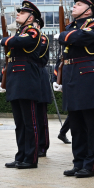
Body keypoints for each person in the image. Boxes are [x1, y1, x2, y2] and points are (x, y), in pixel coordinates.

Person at [56, 0, 94, 178]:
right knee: (76, 124)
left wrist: (65, 35)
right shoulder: (71, 26)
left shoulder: (93, 23)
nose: (73, 7)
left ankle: (90, 164)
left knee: (91, 124)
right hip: (71, 74)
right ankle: (78, 162)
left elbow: (77, 38)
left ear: (88, 10)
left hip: (87, 76)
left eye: (78, 5)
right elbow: (68, 40)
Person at [0, 1, 44, 170]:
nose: (18, 14)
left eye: (22, 13)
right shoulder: (20, 32)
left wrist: (7, 40)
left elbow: (19, 42)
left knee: (29, 121)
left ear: (31, 17)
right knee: (19, 122)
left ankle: (31, 158)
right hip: (16, 78)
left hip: (26, 79)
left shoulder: (32, 30)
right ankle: (21, 155)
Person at [32, 17, 52, 157]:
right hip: (28, 75)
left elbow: (37, 55)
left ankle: (42, 145)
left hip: (38, 75)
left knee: (40, 116)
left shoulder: (42, 38)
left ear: (38, 25)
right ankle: (32, 145)